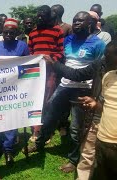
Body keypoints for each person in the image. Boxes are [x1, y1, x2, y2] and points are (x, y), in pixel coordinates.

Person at [28, 11, 106, 173]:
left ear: (89, 24)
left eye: (81, 21)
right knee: (49, 115)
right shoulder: (68, 40)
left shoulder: (98, 44)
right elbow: (63, 60)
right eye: (75, 20)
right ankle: (40, 143)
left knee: (76, 127)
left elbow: (99, 71)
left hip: (84, 89)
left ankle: (73, 159)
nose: (76, 23)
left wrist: (94, 93)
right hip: (64, 85)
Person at [46, 40, 116, 180]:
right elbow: (77, 74)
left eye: (110, 56)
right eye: (105, 55)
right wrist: (54, 64)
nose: (105, 59)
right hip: (98, 120)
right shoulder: (102, 67)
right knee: (87, 153)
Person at [0, 18, 29, 166]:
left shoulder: (22, 46)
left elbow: (28, 66)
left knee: (11, 119)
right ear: (2, 33)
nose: (8, 35)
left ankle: (9, 150)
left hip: (14, 90)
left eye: (12, 32)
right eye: (6, 32)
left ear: (16, 33)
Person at [28, 5, 65, 142]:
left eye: (43, 14)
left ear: (49, 16)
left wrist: (51, 60)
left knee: (47, 101)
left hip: (50, 72)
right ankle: (36, 130)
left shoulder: (57, 31)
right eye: (38, 14)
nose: (39, 17)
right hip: (35, 72)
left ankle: (46, 130)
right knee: (35, 100)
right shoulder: (32, 33)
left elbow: (60, 52)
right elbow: (30, 52)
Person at [88, 40, 117, 180]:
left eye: (108, 55)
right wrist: (95, 104)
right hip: (102, 141)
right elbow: (105, 106)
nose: (104, 59)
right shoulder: (109, 76)